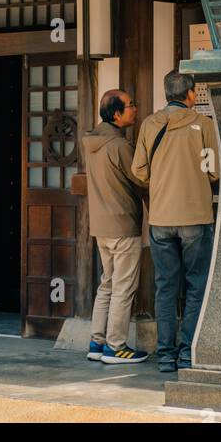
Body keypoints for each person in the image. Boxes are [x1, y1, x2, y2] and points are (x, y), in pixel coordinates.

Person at [131, 70, 219, 375]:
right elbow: (213, 172)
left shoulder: (149, 125)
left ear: (167, 93)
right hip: (196, 217)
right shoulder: (203, 125)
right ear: (191, 94)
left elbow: (139, 172)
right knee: (195, 287)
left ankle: (165, 356)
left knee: (165, 288)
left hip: (161, 219)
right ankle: (187, 354)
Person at [82, 89, 148, 364]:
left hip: (101, 225)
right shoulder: (120, 146)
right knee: (123, 287)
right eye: (131, 105)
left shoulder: (93, 143)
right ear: (117, 114)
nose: (135, 108)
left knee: (107, 285)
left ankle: (97, 342)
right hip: (122, 223)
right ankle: (116, 347)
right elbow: (142, 179)